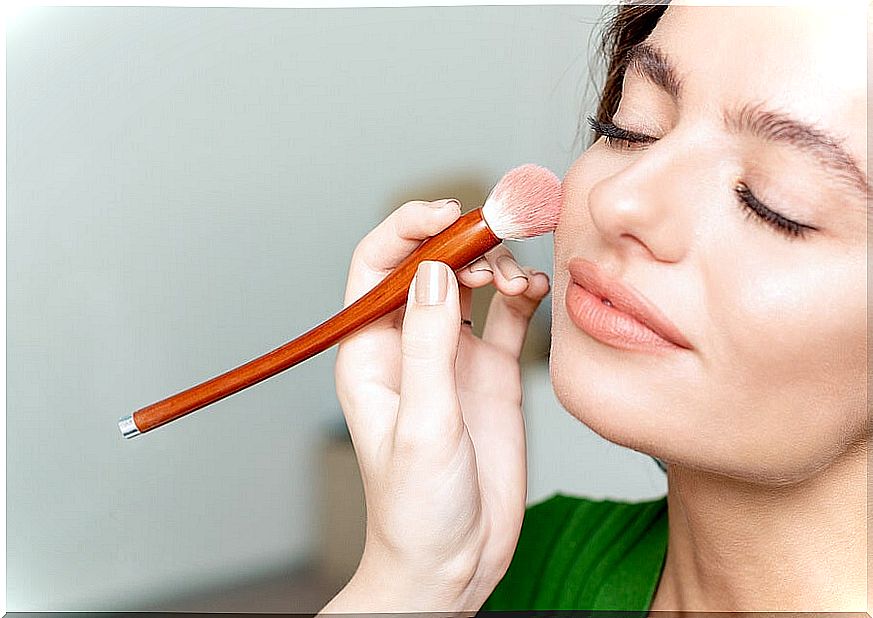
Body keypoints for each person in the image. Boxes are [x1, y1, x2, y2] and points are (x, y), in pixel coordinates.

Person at [319, 1, 868, 612]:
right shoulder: (519, 565)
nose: (616, 200)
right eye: (630, 128)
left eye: (771, 202)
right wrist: (410, 583)